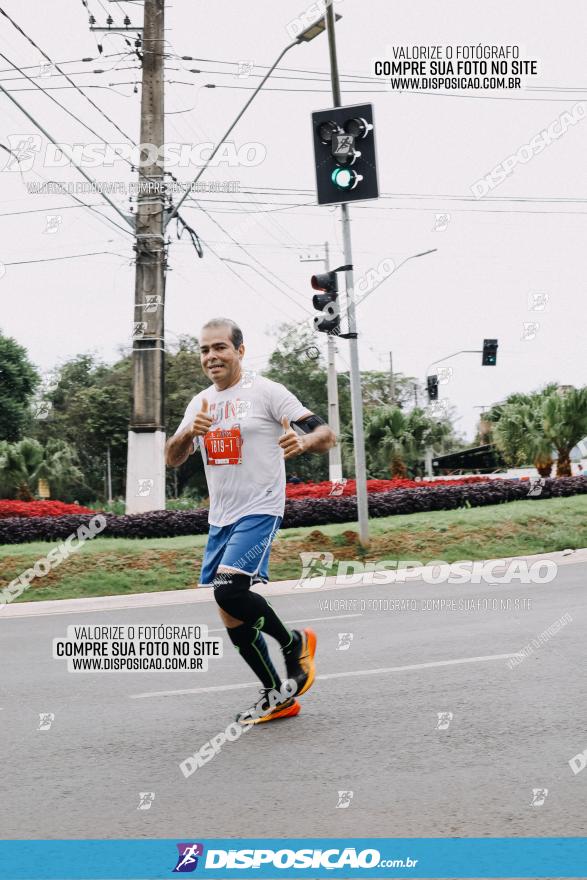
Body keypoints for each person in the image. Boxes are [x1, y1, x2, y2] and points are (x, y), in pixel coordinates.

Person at [165, 318, 336, 724]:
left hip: (260, 509)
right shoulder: (199, 403)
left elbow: (325, 433)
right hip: (221, 517)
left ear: (240, 351)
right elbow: (172, 457)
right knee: (230, 611)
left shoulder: (266, 392)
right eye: (205, 350)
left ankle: (293, 643)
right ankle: (277, 694)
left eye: (220, 347)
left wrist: (305, 440)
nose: (211, 357)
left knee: (228, 591)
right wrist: (189, 433)